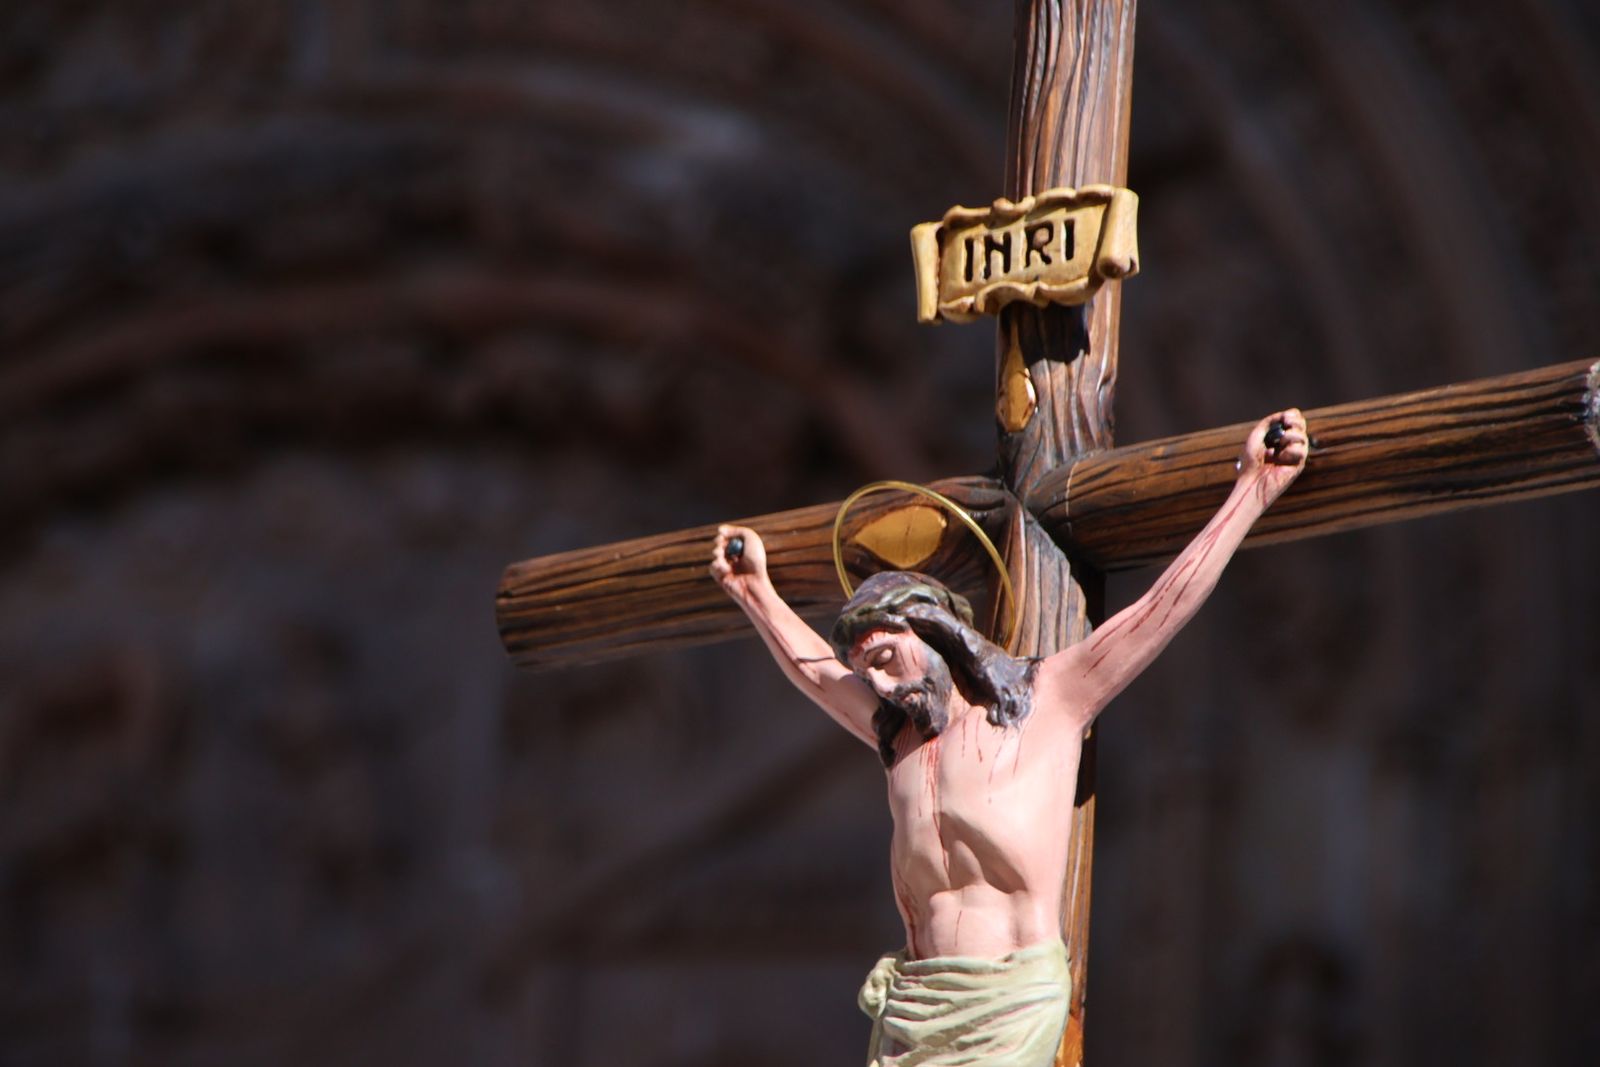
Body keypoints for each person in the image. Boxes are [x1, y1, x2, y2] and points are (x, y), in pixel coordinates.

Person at [710, 410, 1309, 1067]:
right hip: (915, 1010)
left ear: (934, 632)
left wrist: (1252, 489)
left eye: (885, 658)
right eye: (866, 672)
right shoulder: (901, 740)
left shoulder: (1044, 703)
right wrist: (754, 592)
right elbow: (818, 675)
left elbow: (1159, 608)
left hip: (1005, 1010)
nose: (878, 686)